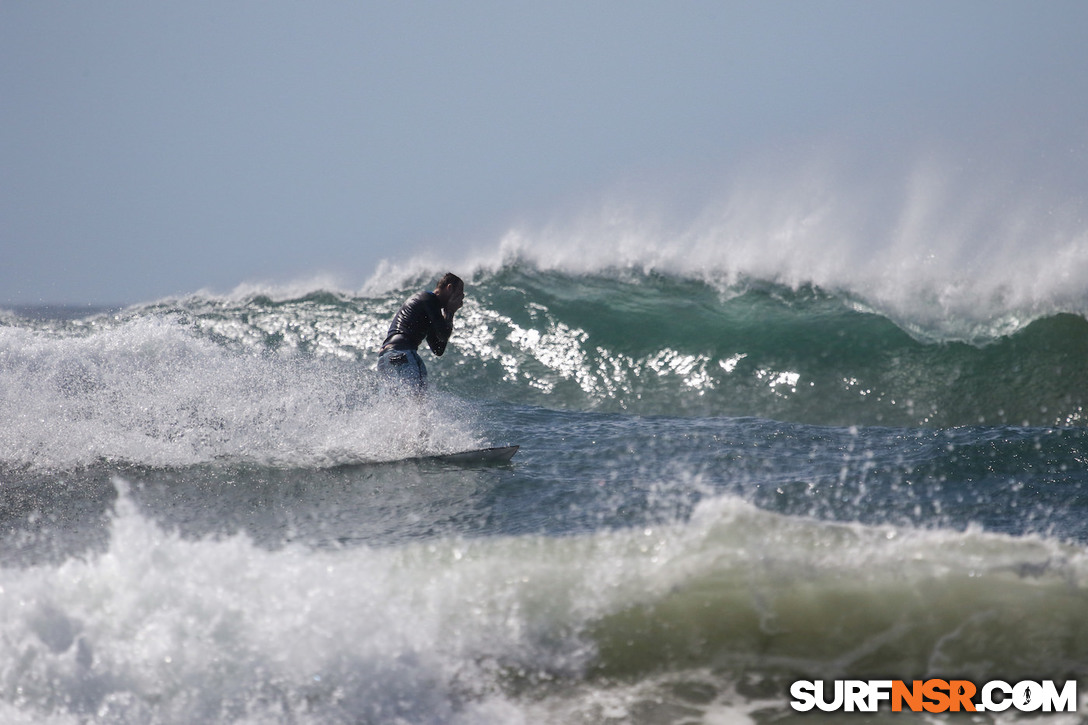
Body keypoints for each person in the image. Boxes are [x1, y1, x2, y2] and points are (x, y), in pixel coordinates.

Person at [376, 272, 464, 393]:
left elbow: (438, 349)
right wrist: (450, 312)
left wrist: (448, 313)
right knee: (418, 400)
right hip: (402, 353)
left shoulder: (427, 308)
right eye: (459, 293)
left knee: (397, 402)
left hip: (386, 358)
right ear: (449, 288)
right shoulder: (429, 299)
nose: (461, 299)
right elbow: (443, 334)